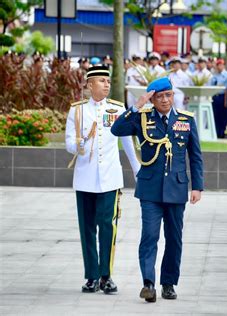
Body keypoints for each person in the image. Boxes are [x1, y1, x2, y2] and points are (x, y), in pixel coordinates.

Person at [111, 77, 204, 303]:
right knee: (150, 236)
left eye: (168, 95)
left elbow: (195, 156)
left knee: (174, 238)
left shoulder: (186, 119)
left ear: (173, 96)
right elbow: (117, 129)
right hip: (150, 189)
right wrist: (136, 106)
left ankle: (169, 283)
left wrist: (197, 187)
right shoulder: (142, 118)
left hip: (177, 188)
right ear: (152, 99)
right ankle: (148, 283)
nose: (164, 100)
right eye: (159, 96)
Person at [65, 65, 140, 294]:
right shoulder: (77, 111)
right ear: (89, 85)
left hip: (110, 179)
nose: (107, 84)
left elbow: (127, 142)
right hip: (85, 178)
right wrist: (78, 143)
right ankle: (92, 276)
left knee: (108, 227)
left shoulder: (117, 109)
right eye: (101, 81)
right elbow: (68, 144)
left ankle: (106, 276)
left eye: (108, 81)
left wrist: (138, 172)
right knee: (87, 228)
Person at [210, 59, 227, 137]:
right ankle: (216, 132)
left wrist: (225, 100)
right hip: (215, 96)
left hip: (222, 96)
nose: (220, 67)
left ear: (224, 66)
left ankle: (222, 133)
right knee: (215, 115)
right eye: (218, 65)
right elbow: (212, 86)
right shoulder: (214, 75)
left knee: (222, 116)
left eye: (221, 65)